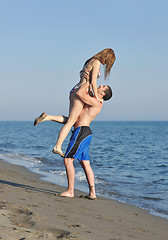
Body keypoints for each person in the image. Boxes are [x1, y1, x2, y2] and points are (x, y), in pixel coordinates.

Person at [34, 81, 112, 199]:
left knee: (68, 160)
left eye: (103, 87)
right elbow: (73, 118)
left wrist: (89, 81)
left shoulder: (96, 102)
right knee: (85, 164)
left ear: (103, 94)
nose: (100, 85)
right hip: (85, 133)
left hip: (81, 132)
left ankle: (70, 191)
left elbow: (80, 93)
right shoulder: (94, 100)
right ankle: (92, 193)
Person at [34, 49, 115, 157]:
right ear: (106, 57)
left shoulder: (89, 61)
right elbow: (93, 82)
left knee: (73, 119)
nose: (106, 65)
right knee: (71, 122)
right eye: (108, 62)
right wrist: (97, 98)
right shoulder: (96, 62)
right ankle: (57, 146)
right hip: (80, 93)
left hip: (75, 90)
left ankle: (47, 117)